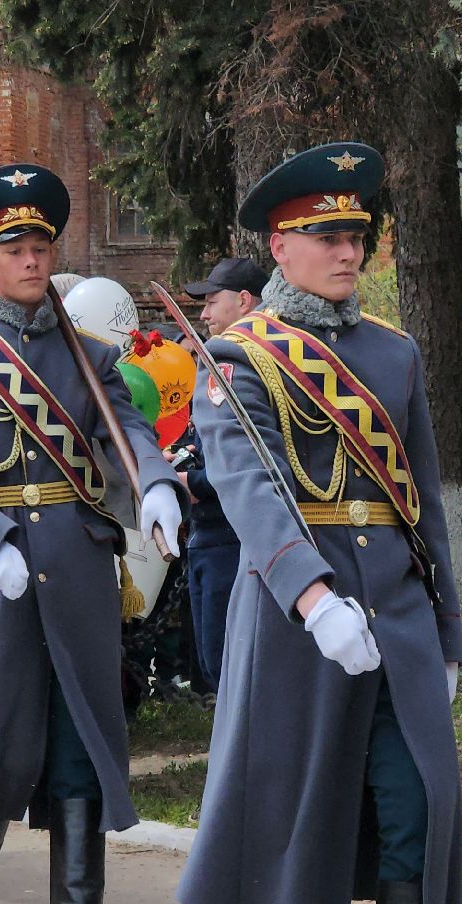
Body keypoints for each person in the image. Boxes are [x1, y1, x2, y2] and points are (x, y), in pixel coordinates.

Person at [177, 143, 462, 904]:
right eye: (326, 238)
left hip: (399, 624)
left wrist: (447, 633)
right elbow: (251, 492)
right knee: (296, 837)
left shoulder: (396, 352)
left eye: (355, 237)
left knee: (416, 822)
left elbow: (423, 507)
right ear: (279, 247)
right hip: (295, 628)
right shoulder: (238, 358)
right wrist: (313, 598)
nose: (348, 253)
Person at [0, 162, 185, 904]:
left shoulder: (89, 357)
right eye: (14, 248)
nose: (31, 260)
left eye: (41, 247)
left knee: (80, 752)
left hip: (81, 581)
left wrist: (153, 483)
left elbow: (127, 429)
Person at [174, 257, 267, 693]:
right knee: (216, 666)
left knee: (234, 668)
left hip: (235, 537)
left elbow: (257, 462)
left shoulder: (252, 365)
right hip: (207, 535)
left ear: (244, 301)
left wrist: (192, 484)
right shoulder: (217, 364)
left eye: (212, 302)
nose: (204, 315)